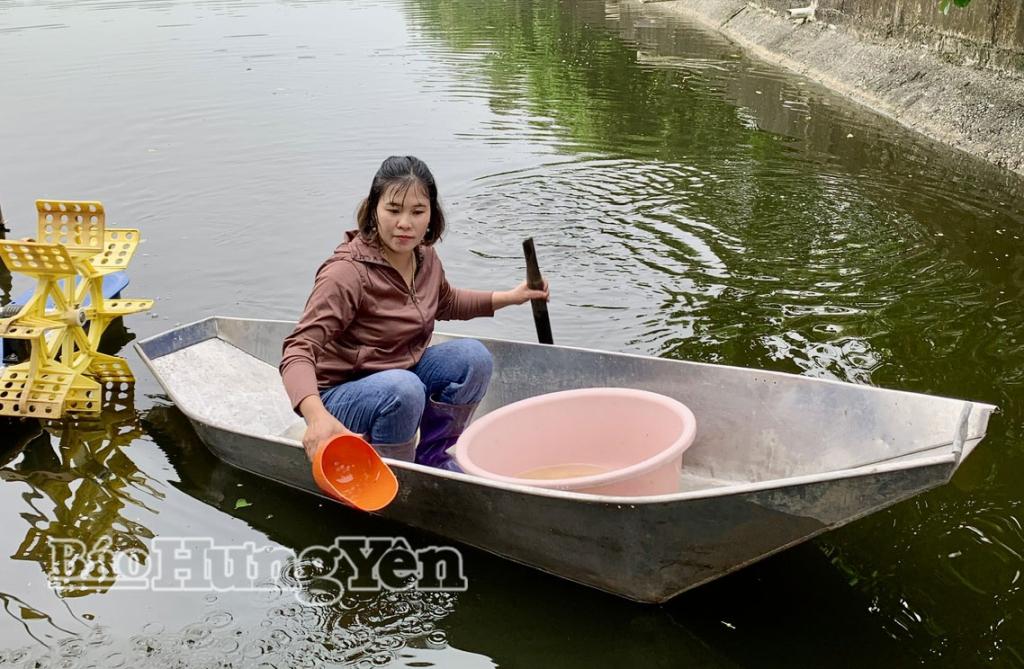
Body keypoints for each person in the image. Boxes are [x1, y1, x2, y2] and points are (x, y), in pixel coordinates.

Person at [280, 156, 549, 472]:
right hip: (342, 395)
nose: (405, 223)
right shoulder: (345, 274)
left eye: (417, 212)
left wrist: (512, 297)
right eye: (393, 210)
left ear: (431, 215)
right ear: (374, 210)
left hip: (400, 378)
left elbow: (445, 302)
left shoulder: (424, 258)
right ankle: (392, 473)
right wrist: (316, 418)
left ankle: (432, 460)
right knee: (404, 389)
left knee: (473, 358)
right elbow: (297, 351)